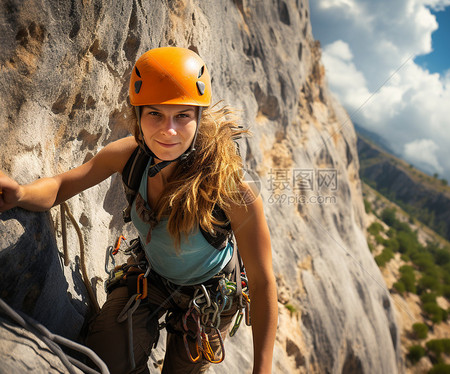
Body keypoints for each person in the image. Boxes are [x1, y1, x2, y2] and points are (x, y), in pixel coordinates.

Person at [0, 47, 277, 374]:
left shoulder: (232, 190)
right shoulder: (130, 157)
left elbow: (262, 284)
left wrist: (263, 370)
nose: (168, 130)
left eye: (182, 116)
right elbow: (61, 186)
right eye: (155, 114)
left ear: (199, 118)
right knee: (106, 356)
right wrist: (20, 193)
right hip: (153, 276)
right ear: (138, 115)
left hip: (211, 293)